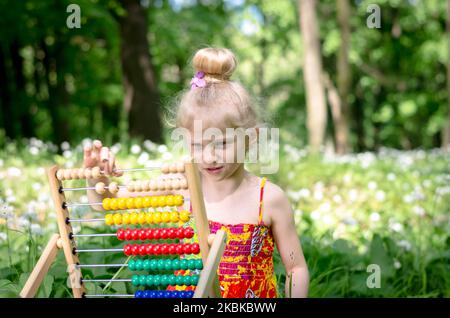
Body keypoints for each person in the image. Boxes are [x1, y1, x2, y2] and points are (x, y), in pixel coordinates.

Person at [84, 47, 309, 298]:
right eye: (198, 145)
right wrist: (97, 179)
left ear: (251, 138)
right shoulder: (183, 185)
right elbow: (106, 204)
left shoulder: (268, 199)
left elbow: (295, 267)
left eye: (222, 143)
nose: (209, 156)